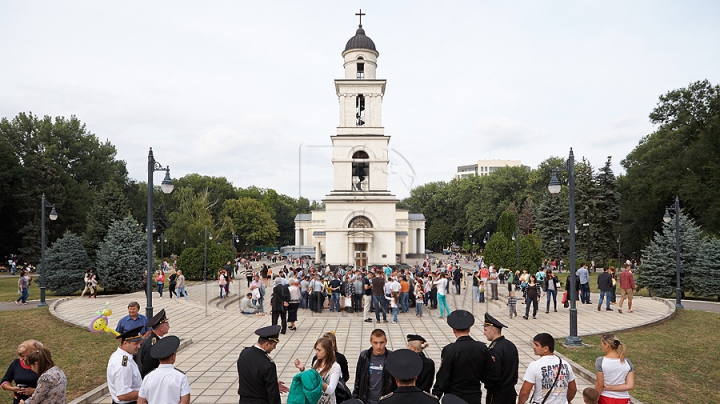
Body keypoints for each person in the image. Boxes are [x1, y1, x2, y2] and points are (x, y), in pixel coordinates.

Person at [432, 310, 489, 404]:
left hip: (454, 396)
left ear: (453, 330)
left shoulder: (450, 350)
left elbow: (444, 375)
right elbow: (489, 373)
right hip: (474, 395)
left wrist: (436, 394)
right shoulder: (481, 348)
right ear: (469, 329)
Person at [517, 333, 577, 404]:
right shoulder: (565, 364)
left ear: (546, 349)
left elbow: (525, 392)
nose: (533, 347)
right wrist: (567, 400)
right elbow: (573, 389)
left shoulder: (535, 365)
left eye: (536, 345)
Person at [237, 325, 289, 404]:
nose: (274, 348)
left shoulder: (244, 353)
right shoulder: (268, 365)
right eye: (274, 345)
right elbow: (273, 394)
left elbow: (249, 376)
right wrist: (273, 385)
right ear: (267, 344)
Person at [137, 335, 190, 404]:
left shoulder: (148, 377)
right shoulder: (180, 377)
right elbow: (185, 401)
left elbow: (141, 402)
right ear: (173, 357)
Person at [481, 314, 518, 404]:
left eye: (485, 330)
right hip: (510, 393)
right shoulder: (511, 345)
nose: (484, 333)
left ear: (493, 331)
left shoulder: (494, 349)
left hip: (497, 395)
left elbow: (493, 375)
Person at [352, 329, 396, 404]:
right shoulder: (364, 356)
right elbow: (358, 379)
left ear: (386, 341)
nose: (379, 346)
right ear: (371, 342)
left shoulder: (391, 357)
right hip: (367, 401)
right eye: (375, 343)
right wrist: (355, 398)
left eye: (381, 343)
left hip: (385, 401)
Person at [294, 338, 341, 404]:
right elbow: (311, 378)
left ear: (327, 350)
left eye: (319, 350)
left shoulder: (335, 367)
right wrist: (302, 369)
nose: (316, 352)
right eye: (316, 349)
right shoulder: (316, 362)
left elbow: (331, 390)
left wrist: (317, 382)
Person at [107, 326, 144, 404]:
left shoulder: (123, 356)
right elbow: (123, 395)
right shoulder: (123, 365)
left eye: (139, 343)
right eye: (136, 344)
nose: (139, 346)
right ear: (125, 343)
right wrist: (147, 393)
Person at [595, 334, 634, 404]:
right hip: (624, 399)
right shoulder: (627, 362)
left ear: (606, 345)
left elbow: (599, 384)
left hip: (606, 398)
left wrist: (595, 399)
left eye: (602, 344)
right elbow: (630, 386)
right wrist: (610, 387)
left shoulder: (600, 361)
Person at [1, 340, 42, 404]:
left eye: (28, 356)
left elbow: (50, 388)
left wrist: (33, 391)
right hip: (18, 401)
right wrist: (13, 388)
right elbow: (4, 381)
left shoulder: (41, 365)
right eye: (22, 356)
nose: (24, 358)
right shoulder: (16, 363)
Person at [138, 309, 171, 378]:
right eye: (167, 325)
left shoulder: (156, 340)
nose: (169, 327)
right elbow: (149, 366)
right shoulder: (152, 344)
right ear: (161, 328)